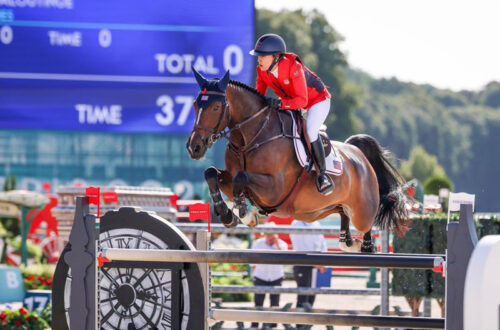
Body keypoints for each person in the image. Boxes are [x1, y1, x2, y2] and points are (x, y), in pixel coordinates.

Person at [249, 33, 334, 195]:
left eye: (262, 56)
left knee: (310, 130)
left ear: (276, 57)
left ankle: (322, 175)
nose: (259, 60)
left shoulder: (294, 68)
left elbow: (302, 101)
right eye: (258, 56)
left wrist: (280, 103)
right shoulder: (262, 70)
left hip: (317, 100)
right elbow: (258, 95)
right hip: (290, 101)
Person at [289, 219, 328, 328]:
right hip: (303, 263)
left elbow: (322, 242)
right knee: (303, 294)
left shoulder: (316, 223)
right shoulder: (296, 223)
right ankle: (300, 325)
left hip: (316, 263)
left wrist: (324, 260)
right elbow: (300, 245)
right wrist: (314, 261)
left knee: (312, 294)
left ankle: (307, 323)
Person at [250, 223, 288, 329]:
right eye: (267, 234)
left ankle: (272, 325)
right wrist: (254, 268)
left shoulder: (282, 244)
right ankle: (255, 324)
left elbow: (285, 260)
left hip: (276, 276)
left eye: (271, 233)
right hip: (260, 275)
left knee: (275, 302)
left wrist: (277, 245)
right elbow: (251, 259)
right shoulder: (258, 243)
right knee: (258, 301)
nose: (269, 236)